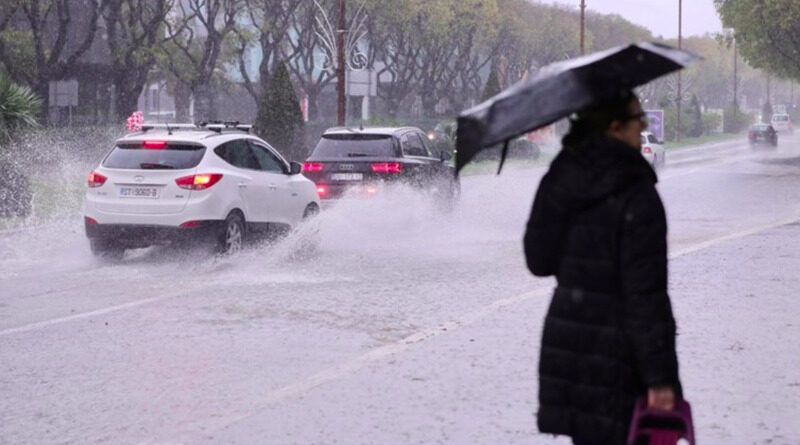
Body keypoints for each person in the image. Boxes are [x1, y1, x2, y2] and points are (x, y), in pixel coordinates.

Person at [524, 90, 682, 445]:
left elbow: (538, 261)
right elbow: (646, 295)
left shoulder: (560, 176)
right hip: (620, 358)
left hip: (571, 348)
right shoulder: (638, 194)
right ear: (615, 127)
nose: (642, 126)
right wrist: (660, 379)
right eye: (637, 119)